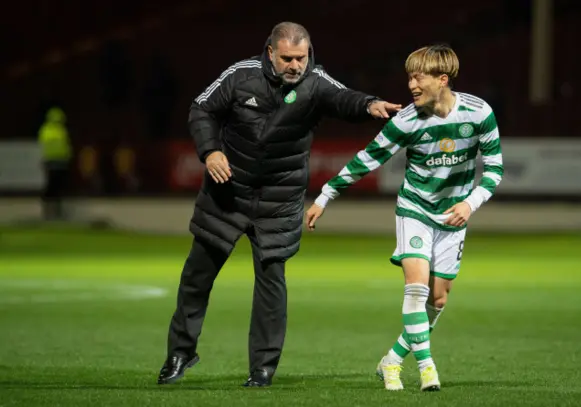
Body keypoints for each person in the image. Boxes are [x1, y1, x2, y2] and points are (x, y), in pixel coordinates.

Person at [157, 21, 402, 387]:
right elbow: (201, 109)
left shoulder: (315, 82)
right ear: (270, 52)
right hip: (227, 194)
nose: (295, 66)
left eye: (300, 58)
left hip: (279, 199)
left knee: (271, 285)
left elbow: (343, 97)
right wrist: (209, 152)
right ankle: (180, 353)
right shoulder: (240, 75)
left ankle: (263, 369)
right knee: (196, 277)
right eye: (287, 58)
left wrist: (370, 105)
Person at [306, 44, 504, 391]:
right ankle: (427, 368)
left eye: (419, 77)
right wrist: (325, 196)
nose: (411, 84)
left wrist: (469, 204)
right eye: (409, 77)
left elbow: (495, 170)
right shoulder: (407, 120)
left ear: (442, 80)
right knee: (415, 287)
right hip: (415, 208)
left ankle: (392, 360)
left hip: (455, 215)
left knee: (438, 299)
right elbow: (367, 159)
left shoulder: (478, 112)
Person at [38, 106, 72, 220]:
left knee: (57, 185)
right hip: (53, 161)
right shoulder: (50, 130)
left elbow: (65, 146)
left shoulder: (53, 130)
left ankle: (55, 210)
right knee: (52, 185)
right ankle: (49, 210)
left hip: (58, 161)